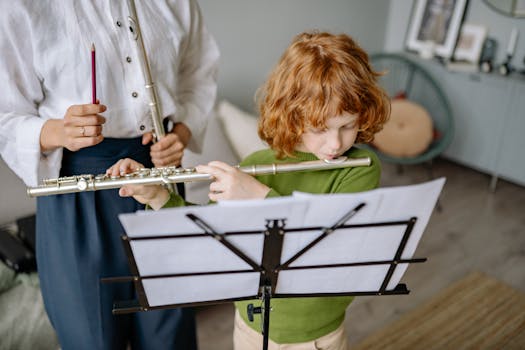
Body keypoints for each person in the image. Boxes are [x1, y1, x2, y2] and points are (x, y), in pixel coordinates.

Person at [109, 31, 389, 349]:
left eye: (347, 125)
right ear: (293, 115)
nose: (336, 143)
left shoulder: (360, 167)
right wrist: (157, 196)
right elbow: (208, 234)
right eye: (320, 128)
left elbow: (328, 246)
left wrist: (257, 196)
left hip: (315, 335)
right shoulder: (258, 162)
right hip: (251, 326)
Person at [0, 1, 219, 349]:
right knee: (92, 336)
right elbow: (5, 113)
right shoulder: (21, 6)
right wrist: (57, 131)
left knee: (170, 329)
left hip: (160, 179)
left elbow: (199, 73)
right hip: (76, 188)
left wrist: (182, 133)